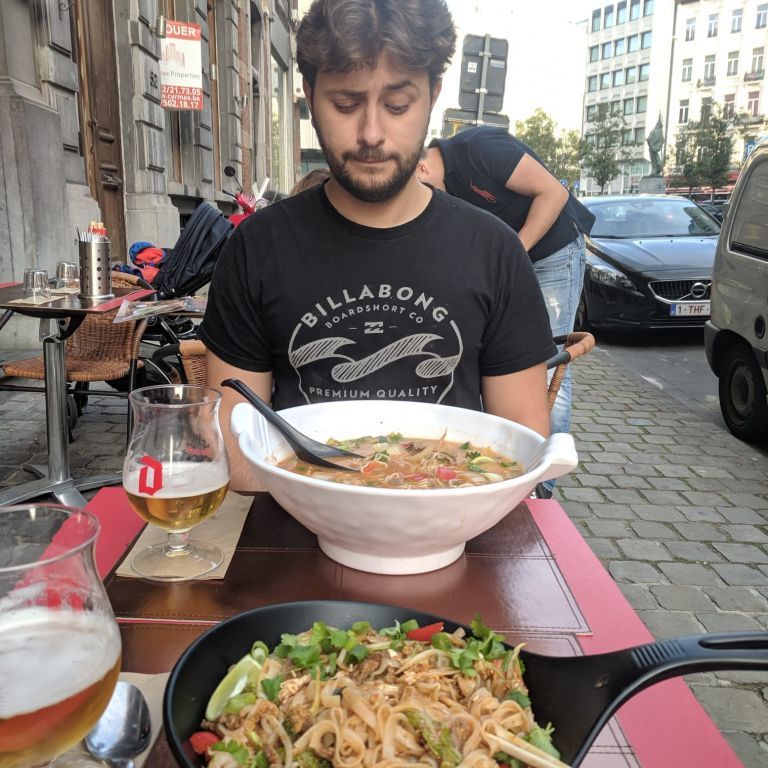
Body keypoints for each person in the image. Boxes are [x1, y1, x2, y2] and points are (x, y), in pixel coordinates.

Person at [199, 0, 556, 491]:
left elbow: (523, 448)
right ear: (309, 97)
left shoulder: (494, 251)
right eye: (345, 104)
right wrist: (348, 500)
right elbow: (236, 446)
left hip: (455, 521)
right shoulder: (256, 246)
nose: (371, 134)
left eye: (397, 105)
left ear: (432, 96)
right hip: (296, 522)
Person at [417, 126, 595, 492]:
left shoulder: (480, 147)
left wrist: (511, 255)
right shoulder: (447, 189)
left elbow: (554, 193)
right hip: (512, 257)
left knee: (547, 364)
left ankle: (542, 487)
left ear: (421, 169)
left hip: (552, 254)